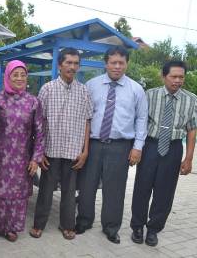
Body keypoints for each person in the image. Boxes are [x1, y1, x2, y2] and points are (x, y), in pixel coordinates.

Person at [76, 45, 148, 244]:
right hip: (94, 144)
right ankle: (83, 220)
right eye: (113, 62)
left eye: (121, 63)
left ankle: (110, 227)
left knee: (114, 189)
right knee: (87, 185)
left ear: (127, 64)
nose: (117, 66)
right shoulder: (91, 85)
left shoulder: (136, 89)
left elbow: (141, 120)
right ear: (105, 63)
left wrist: (137, 147)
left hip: (121, 146)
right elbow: (84, 117)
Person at [130, 60, 197, 247]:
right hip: (150, 146)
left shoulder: (191, 99)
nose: (178, 80)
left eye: (181, 77)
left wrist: (188, 158)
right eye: (174, 76)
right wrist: (136, 147)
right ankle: (137, 227)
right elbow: (139, 122)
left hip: (173, 148)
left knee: (165, 192)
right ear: (163, 76)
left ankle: (153, 229)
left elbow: (192, 130)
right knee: (142, 188)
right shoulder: (150, 95)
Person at [30, 48, 92, 240]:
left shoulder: (83, 91)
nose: (72, 67)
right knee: (46, 191)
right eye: (68, 63)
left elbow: (87, 121)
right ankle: (38, 224)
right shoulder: (47, 89)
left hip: (73, 151)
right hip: (51, 150)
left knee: (69, 191)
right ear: (59, 65)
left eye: (75, 63)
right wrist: (39, 153)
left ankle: (67, 225)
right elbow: (39, 123)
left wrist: (85, 151)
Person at [0, 60, 44, 242]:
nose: (19, 78)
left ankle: (11, 227)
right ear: (8, 76)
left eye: (23, 74)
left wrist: (36, 158)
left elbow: (40, 132)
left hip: (21, 157)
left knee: (17, 193)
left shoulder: (33, 101)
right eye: (15, 74)